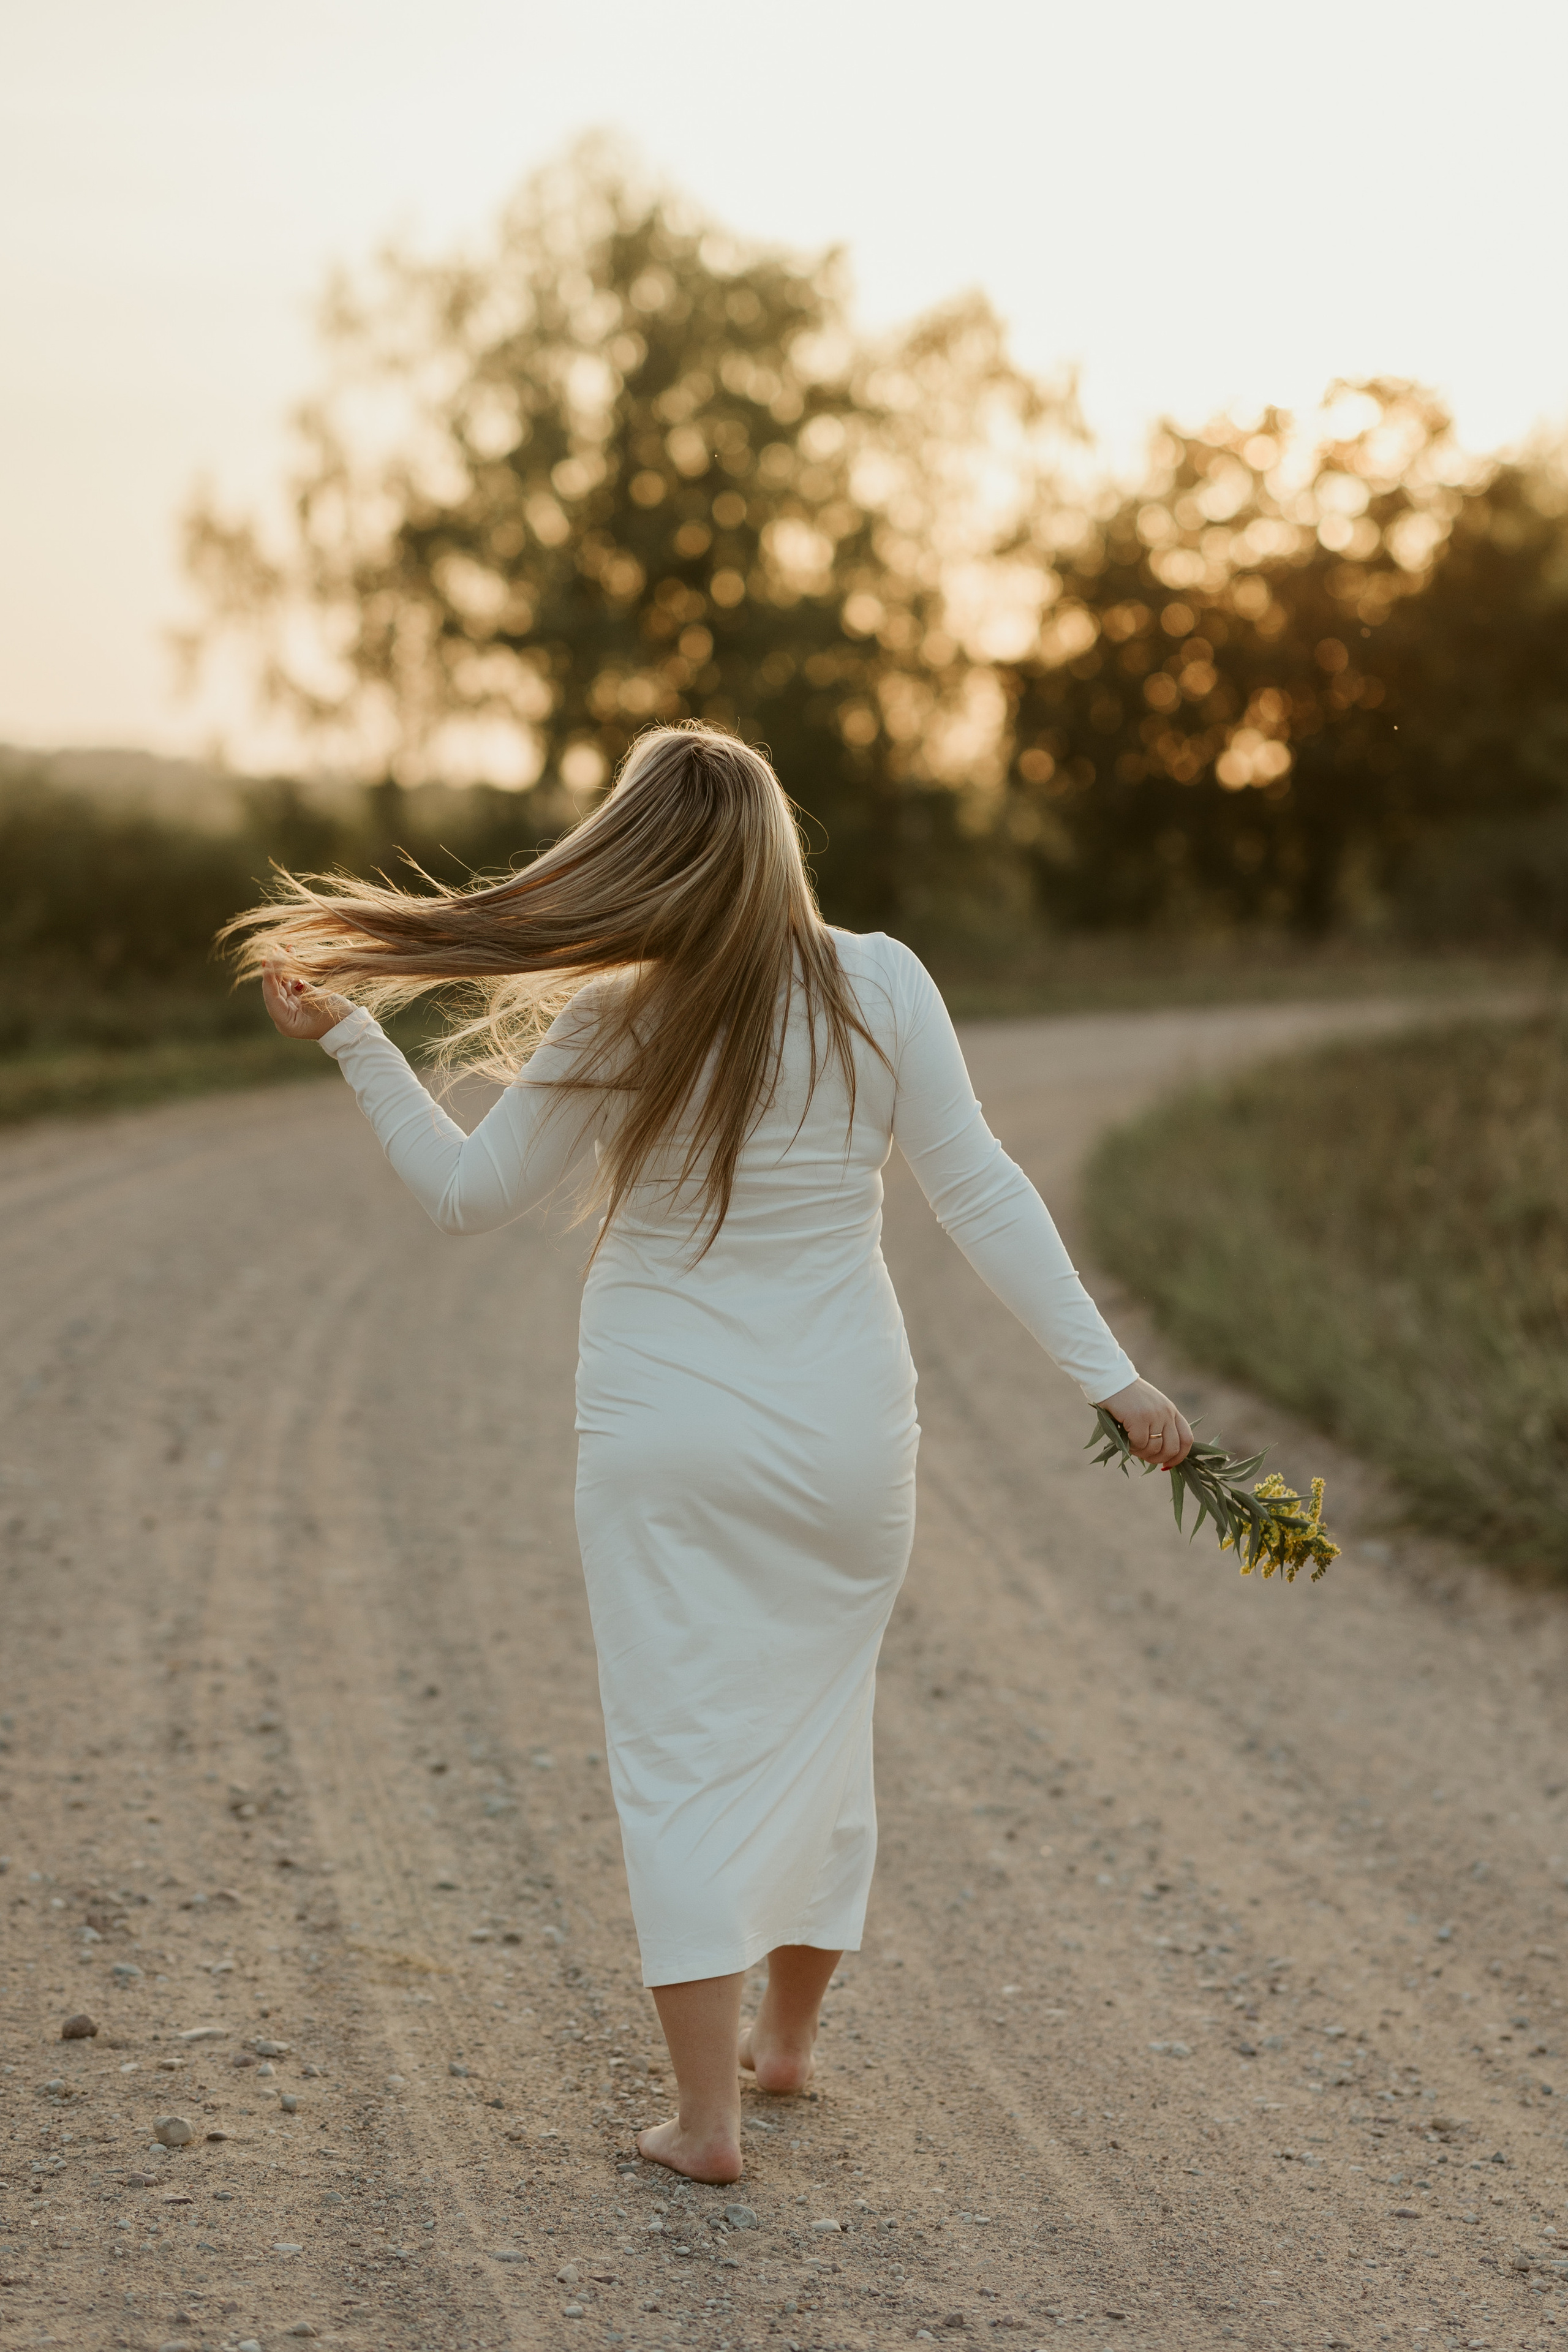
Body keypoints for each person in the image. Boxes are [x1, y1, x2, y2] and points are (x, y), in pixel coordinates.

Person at [232, 720, 1193, 2185]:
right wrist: (1110, 1377)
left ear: (640, 859)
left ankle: (705, 2123)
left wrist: (354, 1040)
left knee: (682, 1751)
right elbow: (979, 1191)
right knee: (819, 1719)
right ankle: (790, 2045)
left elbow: (462, 1196)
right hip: (847, 1433)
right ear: (776, 849)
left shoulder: (617, 1015)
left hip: (660, 1426)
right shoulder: (882, 980)